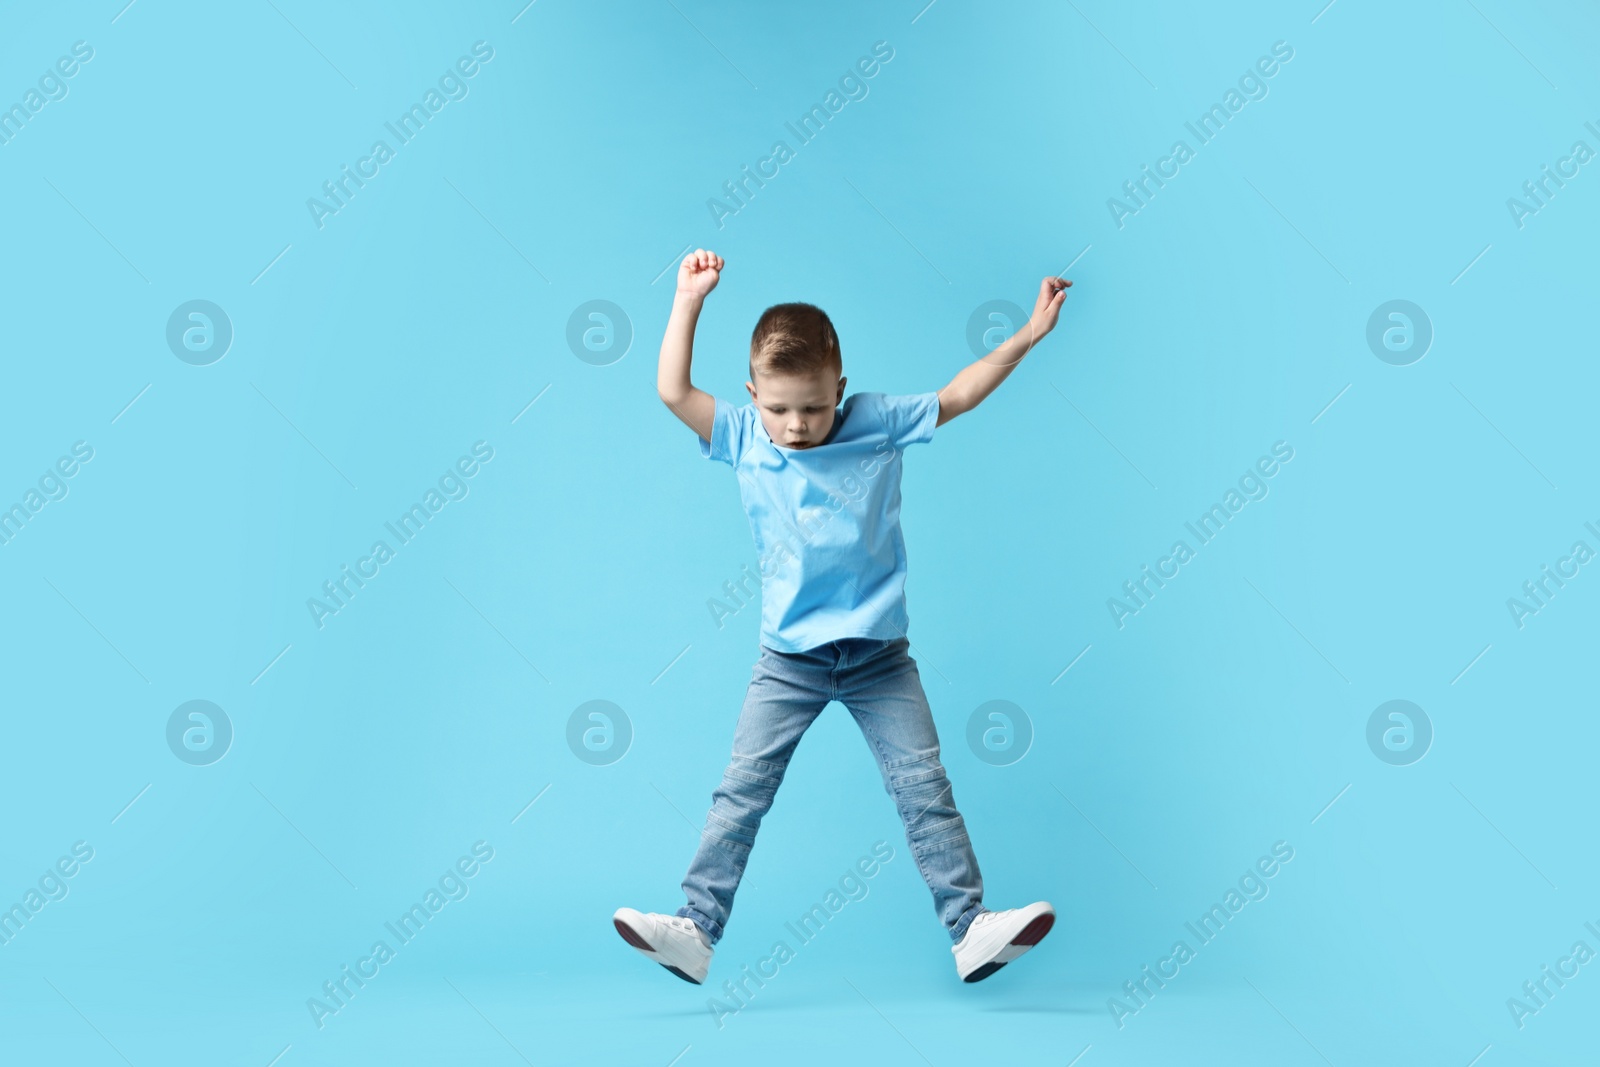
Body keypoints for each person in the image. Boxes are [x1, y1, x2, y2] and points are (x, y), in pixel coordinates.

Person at [614, 249, 1070, 985]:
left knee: (925, 787)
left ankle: (970, 929)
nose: (796, 425)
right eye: (779, 407)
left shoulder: (878, 422)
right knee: (742, 792)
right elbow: (672, 389)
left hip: (878, 657)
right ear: (752, 394)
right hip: (788, 661)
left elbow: (960, 393)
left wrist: (1025, 334)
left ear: (841, 391)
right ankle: (695, 928)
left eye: (815, 407)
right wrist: (687, 298)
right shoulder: (740, 436)